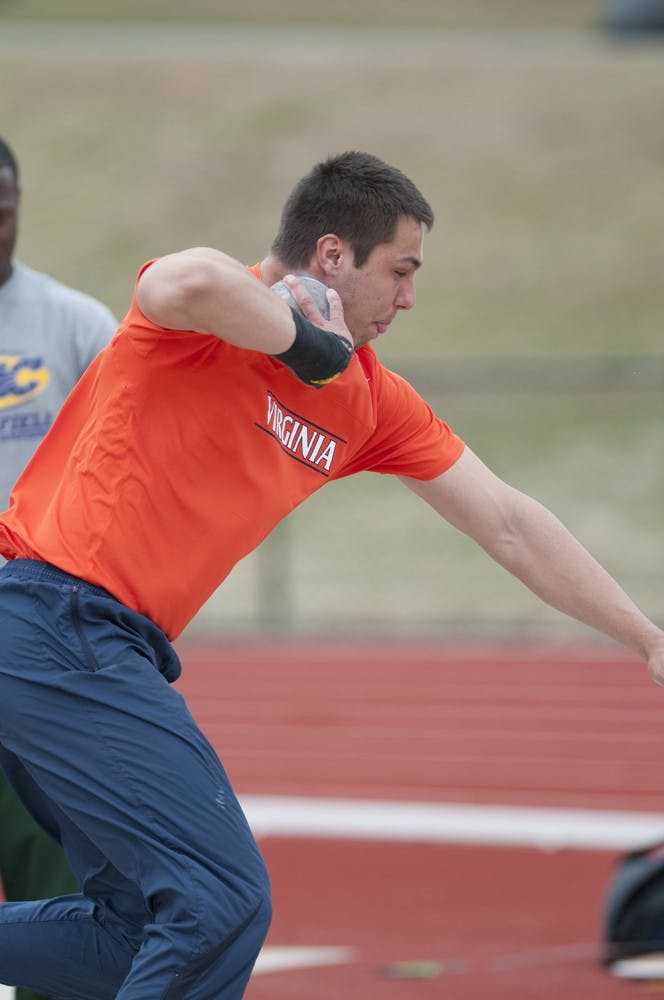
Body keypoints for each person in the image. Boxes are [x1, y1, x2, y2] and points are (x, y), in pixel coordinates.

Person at [0, 150, 662, 1000]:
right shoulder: (202, 320)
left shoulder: (370, 399)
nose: (411, 298)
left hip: (101, 648)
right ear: (332, 255)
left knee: (136, 933)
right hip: (57, 619)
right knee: (220, 905)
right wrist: (302, 340)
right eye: (401, 269)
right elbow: (186, 276)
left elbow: (508, 522)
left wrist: (646, 637)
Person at [0, 136, 117, 1000]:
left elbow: (124, 466)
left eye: (3, 209)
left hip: (38, 633)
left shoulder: (75, 324)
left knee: (49, 851)